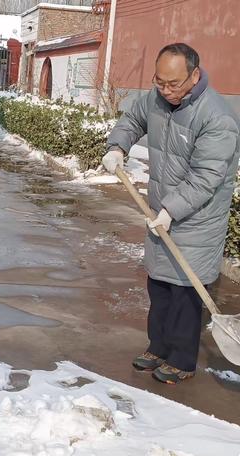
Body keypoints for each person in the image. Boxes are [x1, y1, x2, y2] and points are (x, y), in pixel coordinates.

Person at [102, 43, 239, 384]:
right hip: (161, 208)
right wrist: (117, 146)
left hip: (198, 218)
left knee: (185, 291)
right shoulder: (157, 98)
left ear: (194, 75)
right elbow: (132, 119)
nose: (166, 90)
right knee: (159, 284)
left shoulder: (217, 118)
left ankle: (182, 359)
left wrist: (171, 210)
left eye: (174, 84)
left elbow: (206, 176)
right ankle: (158, 347)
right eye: (159, 81)